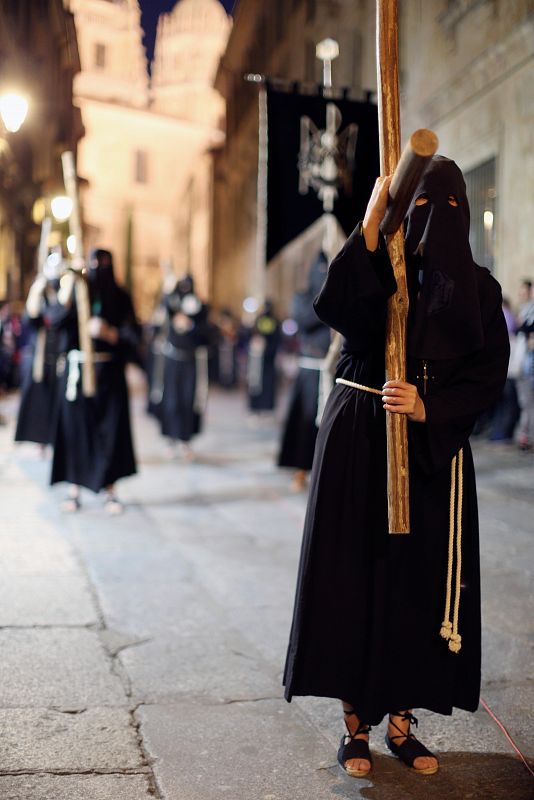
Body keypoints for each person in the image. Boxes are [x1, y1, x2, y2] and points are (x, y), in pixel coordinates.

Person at [283, 157, 510, 778]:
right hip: (360, 436)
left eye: (451, 209)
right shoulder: (381, 263)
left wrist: (428, 407)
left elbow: (486, 377)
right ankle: (355, 725)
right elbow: (338, 311)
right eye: (424, 210)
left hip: (432, 451)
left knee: (416, 585)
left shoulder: (481, 290)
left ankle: (403, 723)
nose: (437, 222)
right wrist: (369, 227)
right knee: (356, 577)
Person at [50, 248, 140, 513]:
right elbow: (55, 320)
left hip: (109, 374)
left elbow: (134, 335)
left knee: (110, 432)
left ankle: (110, 490)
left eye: (105, 264)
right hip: (79, 372)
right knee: (77, 429)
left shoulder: (121, 297)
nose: (100, 268)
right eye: (95, 263)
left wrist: (110, 334)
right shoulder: (77, 293)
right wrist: (69, 286)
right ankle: (74, 488)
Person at [278, 253, 332, 490]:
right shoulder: (302, 298)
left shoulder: (336, 293)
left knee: (329, 424)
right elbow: (305, 319)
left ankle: (327, 472)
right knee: (305, 422)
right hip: (310, 369)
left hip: (331, 369)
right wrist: (329, 301)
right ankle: (300, 470)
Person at [155, 274, 210, 459]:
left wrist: (191, 326)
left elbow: (206, 334)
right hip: (172, 360)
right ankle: (170, 439)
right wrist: (168, 288)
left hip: (190, 360)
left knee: (188, 400)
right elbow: (162, 314)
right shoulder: (171, 304)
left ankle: (186, 440)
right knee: (171, 400)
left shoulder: (200, 308)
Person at [15, 256, 62, 450]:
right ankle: (40, 438)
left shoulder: (62, 293)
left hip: (58, 352)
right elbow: (31, 320)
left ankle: (56, 438)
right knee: (39, 400)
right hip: (40, 356)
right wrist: (35, 292)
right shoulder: (40, 295)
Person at [247, 300, 280, 415]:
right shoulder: (260, 319)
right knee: (256, 382)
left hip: (268, 360)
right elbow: (252, 335)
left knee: (266, 383)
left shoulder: (274, 321)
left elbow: (276, 339)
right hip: (258, 359)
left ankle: (266, 407)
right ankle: (257, 407)